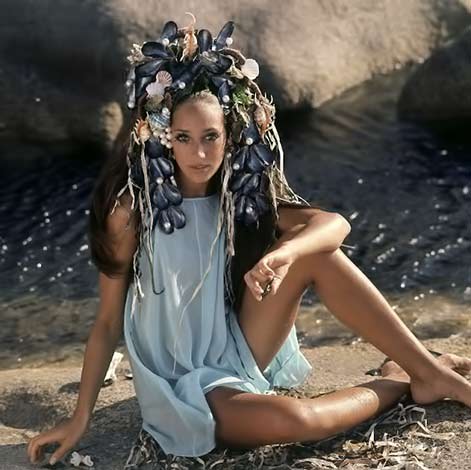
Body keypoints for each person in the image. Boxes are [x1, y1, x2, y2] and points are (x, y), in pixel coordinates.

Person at [27, 16, 471, 468]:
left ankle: (431, 372)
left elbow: (334, 224)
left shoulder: (239, 194)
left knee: (317, 250)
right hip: (182, 385)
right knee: (297, 419)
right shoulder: (132, 210)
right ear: (162, 136)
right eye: (184, 138)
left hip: (239, 345)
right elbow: (106, 323)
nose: (199, 154)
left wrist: (283, 254)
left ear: (230, 134)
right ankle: (399, 380)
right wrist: (79, 419)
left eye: (211, 137)